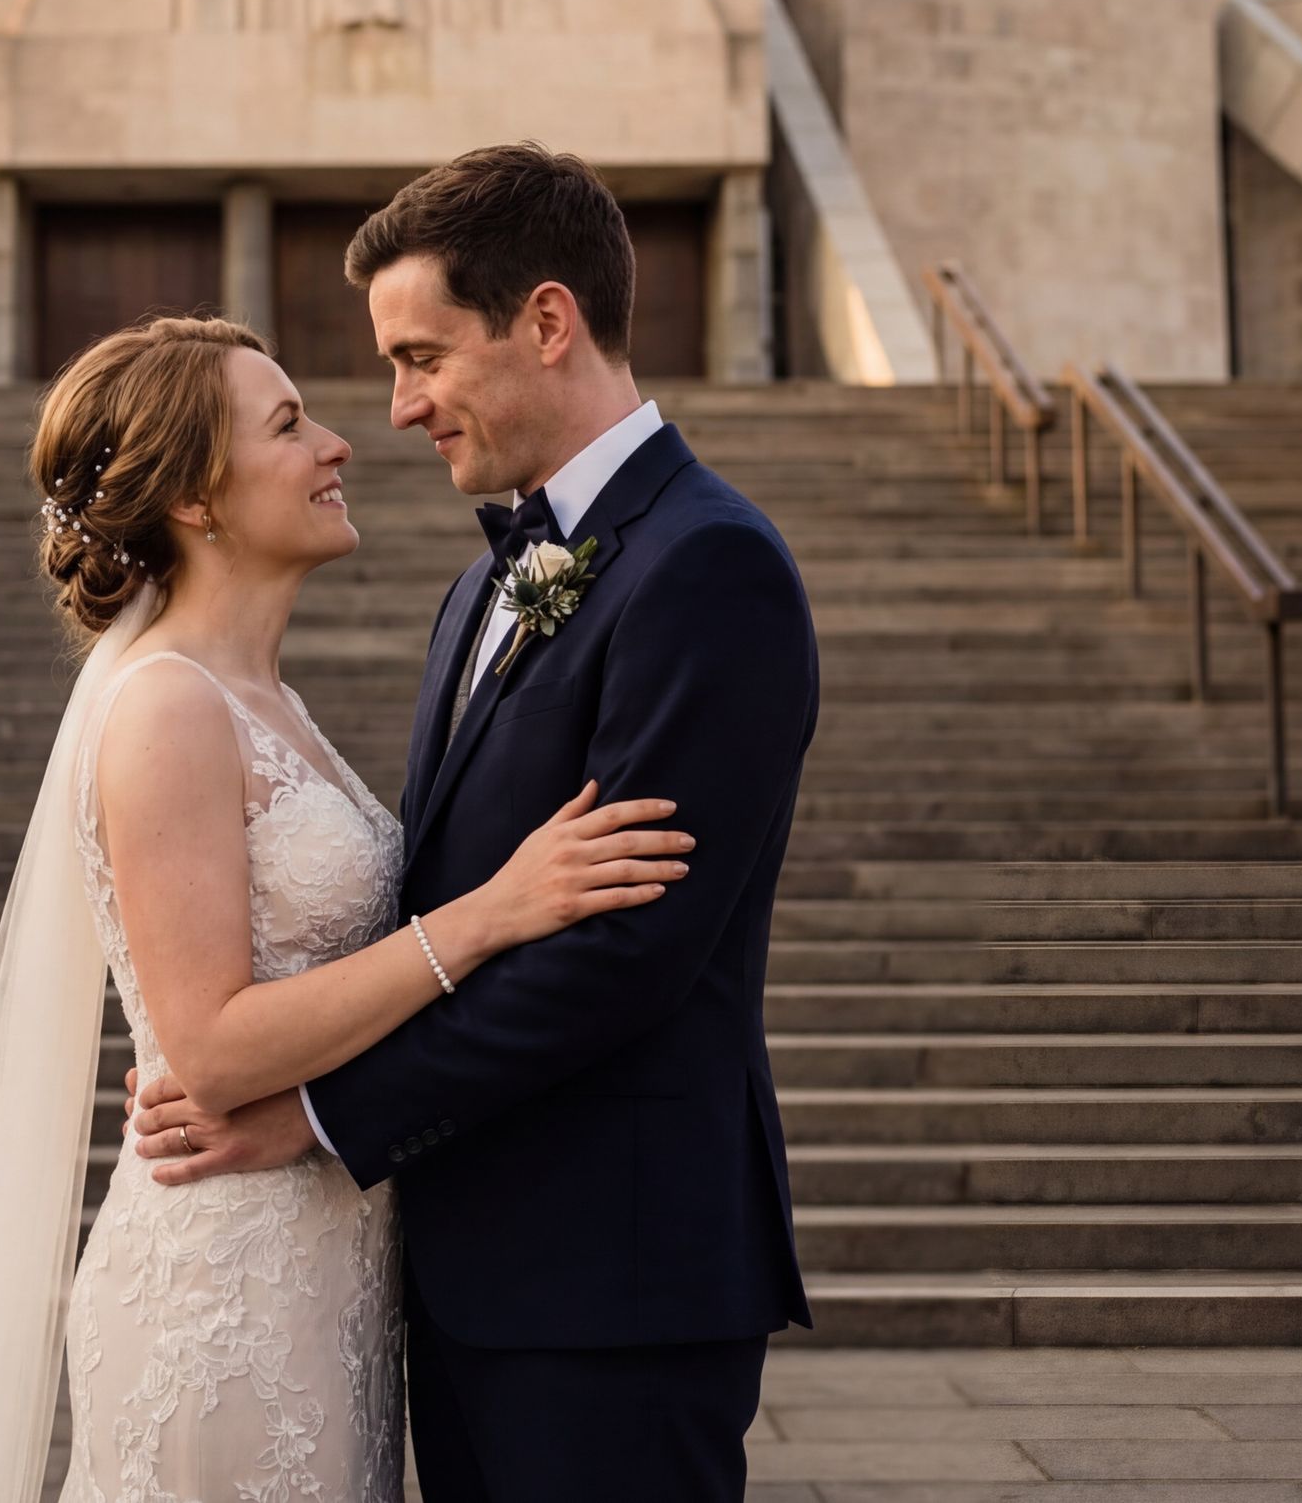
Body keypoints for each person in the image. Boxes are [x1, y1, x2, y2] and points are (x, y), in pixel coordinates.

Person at [0, 307, 690, 1503]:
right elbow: (206, 1045)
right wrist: (489, 915)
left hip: (326, 1270)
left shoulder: (268, 702)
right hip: (222, 1294)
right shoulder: (167, 708)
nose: (340, 444)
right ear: (197, 500)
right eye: (291, 425)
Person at [127, 143, 820, 1499]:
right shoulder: (478, 590)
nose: (397, 408)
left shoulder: (708, 567)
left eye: (423, 356)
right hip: (463, 1278)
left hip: (613, 1285)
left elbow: (623, 953)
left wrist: (317, 1117)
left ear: (547, 322)